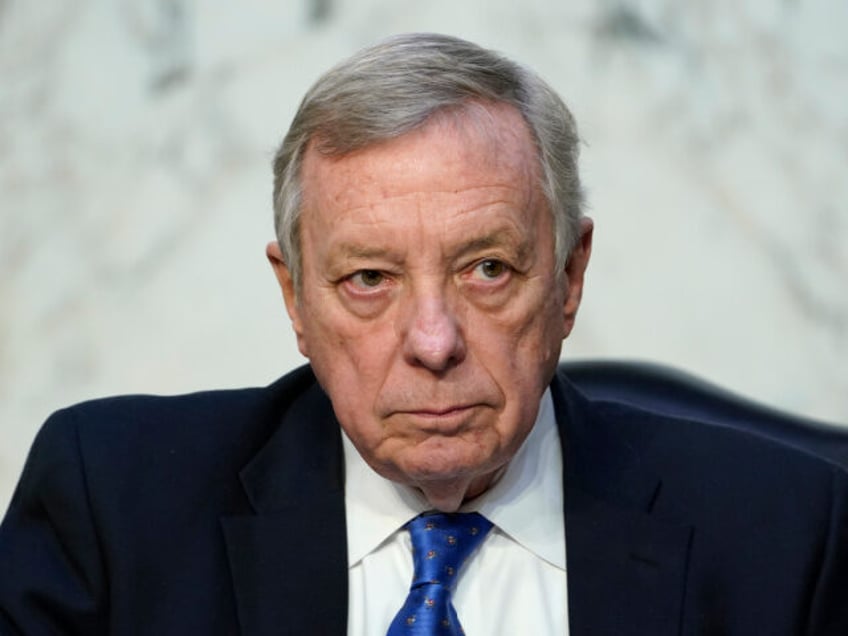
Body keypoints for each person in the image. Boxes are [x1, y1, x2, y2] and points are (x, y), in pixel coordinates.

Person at [1, 33, 846, 636]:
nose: (433, 342)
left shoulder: (787, 536)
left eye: (487, 269)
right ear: (295, 297)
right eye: (369, 279)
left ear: (569, 277)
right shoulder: (112, 510)